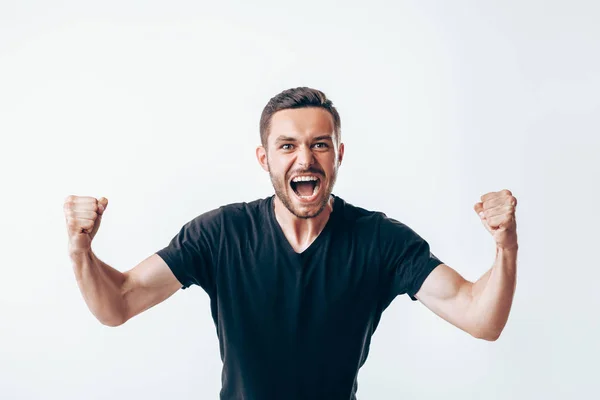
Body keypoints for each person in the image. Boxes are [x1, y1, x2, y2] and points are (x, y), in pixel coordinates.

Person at [64, 87, 518, 400]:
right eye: (287, 146)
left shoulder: (382, 242)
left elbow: (481, 319)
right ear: (265, 158)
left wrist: (506, 249)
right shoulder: (220, 235)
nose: (306, 158)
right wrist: (81, 252)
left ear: (338, 154)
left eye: (320, 144)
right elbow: (118, 304)